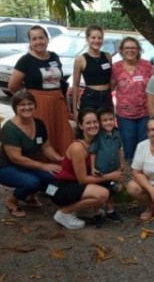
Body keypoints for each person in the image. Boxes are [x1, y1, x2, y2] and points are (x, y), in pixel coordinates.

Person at [50, 109, 123, 230]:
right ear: (80, 125)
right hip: (57, 187)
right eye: (88, 123)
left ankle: (80, 209)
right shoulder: (78, 147)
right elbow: (83, 179)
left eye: (95, 122)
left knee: (106, 187)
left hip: (73, 184)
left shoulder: (97, 142)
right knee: (102, 194)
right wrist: (111, 177)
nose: (93, 125)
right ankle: (64, 212)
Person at [8, 25, 73, 156]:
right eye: (34, 39)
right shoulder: (25, 61)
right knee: (43, 133)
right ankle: (44, 167)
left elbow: (60, 82)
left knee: (62, 132)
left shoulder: (54, 57)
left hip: (58, 102)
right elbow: (13, 86)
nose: (38, 42)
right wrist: (28, 99)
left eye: (41, 38)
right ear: (30, 42)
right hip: (39, 104)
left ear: (47, 39)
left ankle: (63, 165)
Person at [0, 91, 63, 217]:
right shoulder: (9, 128)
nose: (27, 107)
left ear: (35, 105)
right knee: (32, 181)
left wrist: (59, 158)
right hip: (7, 167)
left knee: (52, 178)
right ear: (15, 108)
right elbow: (15, 158)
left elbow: (46, 147)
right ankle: (13, 199)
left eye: (30, 104)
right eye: (22, 105)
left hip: (28, 166)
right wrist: (43, 166)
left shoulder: (39, 123)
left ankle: (44, 196)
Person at [111, 36, 154, 162]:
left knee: (144, 145)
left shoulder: (146, 65)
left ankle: (143, 172)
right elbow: (110, 86)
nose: (130, 50)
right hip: (124, 115)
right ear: (122, 50)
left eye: (133, 48)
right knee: (128, 146)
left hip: (145, 113)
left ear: (139, 50)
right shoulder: (116, 67)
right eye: (127, 48)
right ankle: (130, 174)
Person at [89, 107, 125, 226]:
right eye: (105, 120)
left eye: (111, 119)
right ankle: (96, 213)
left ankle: (110, 211)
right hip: (101, 171)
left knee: (111, 191)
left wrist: (122, 163)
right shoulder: (98, 136)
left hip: (113, 169)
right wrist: (93, 167)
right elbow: (93, 152)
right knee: (99, 192)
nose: (108, 122)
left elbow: (119, 149)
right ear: (100, 122)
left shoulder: (117, 133)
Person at [72, 25, 113, 118]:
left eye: (100, 38)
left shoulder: (107, 56)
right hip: (90, 97)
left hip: (106, 97)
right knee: (90, 127)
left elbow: (111, 80)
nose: (97, 41)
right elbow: (75, 85)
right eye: (93, 37)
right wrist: (75, 109)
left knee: (106, 128)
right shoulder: (80, 60)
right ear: (87, 39)